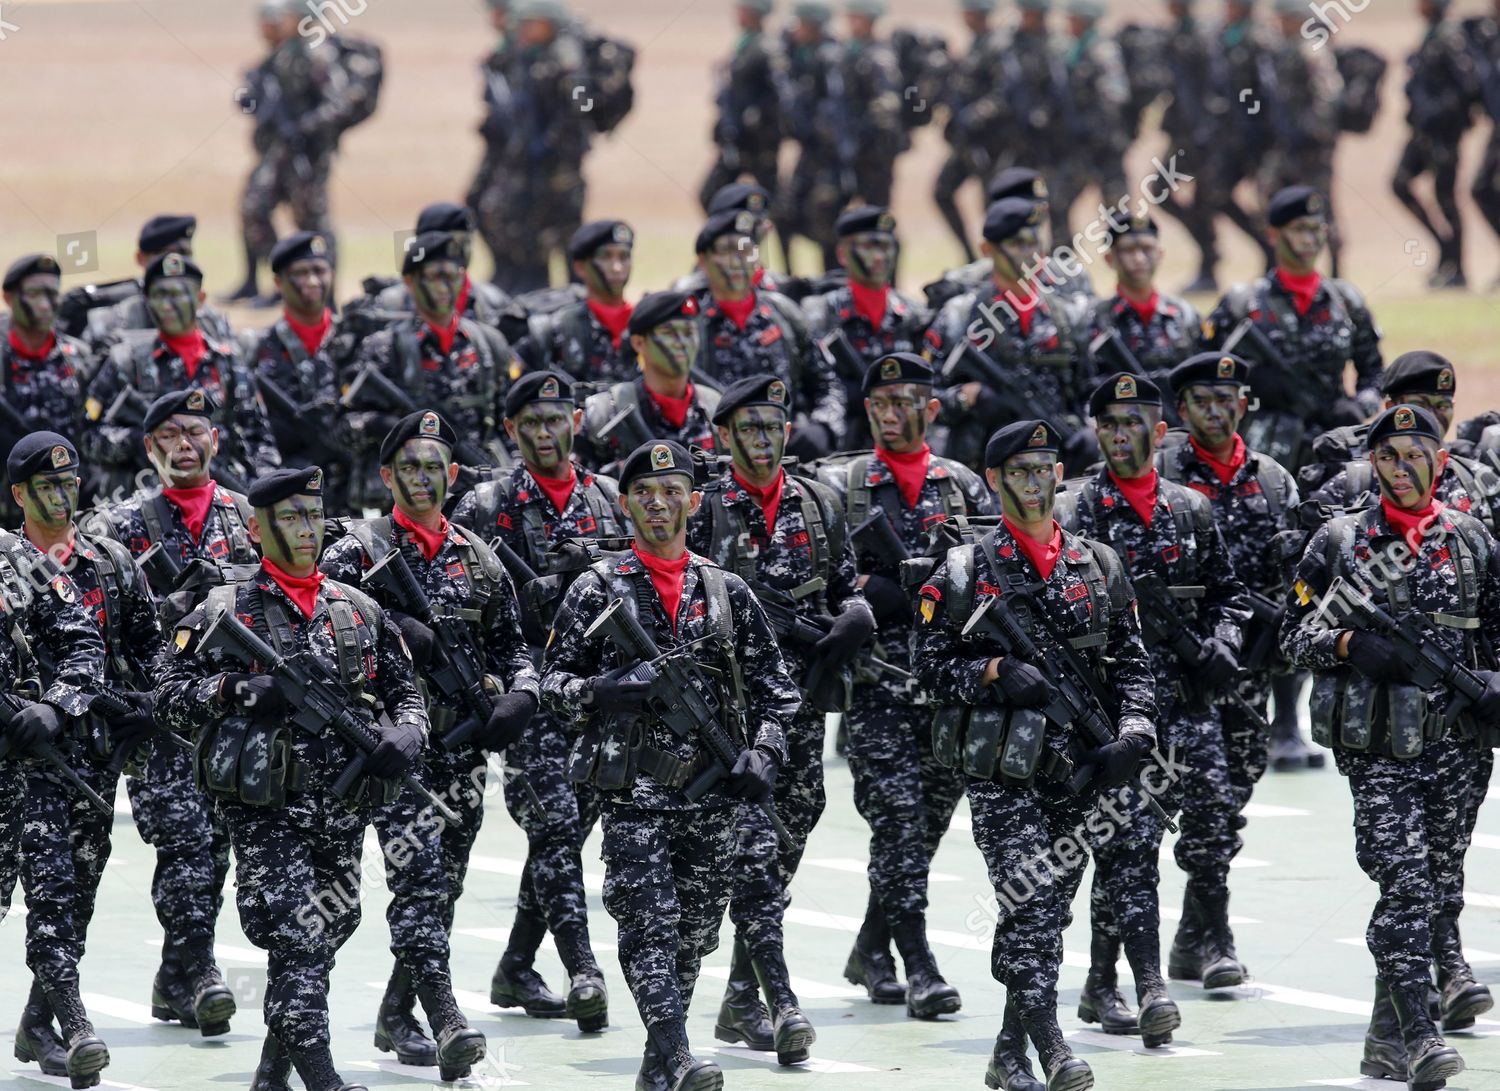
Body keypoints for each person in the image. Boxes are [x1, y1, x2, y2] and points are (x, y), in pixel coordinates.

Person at [156, 464, 427, 1091]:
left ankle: (271, 1076)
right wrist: (238, 690)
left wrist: (406, 735)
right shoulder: (226, 607)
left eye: (312, 516)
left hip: (343, 807)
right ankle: (322, 1078)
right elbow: (166, 695)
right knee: (300, 938)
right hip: (266, 808)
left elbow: (405, 694)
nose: (306, 529)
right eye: (290, 518)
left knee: (334, 924)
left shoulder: (356, 606)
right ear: (256, 529)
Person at [540, 438, 800, 1089]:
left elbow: (779, 689)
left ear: (693, 498)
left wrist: (764, 750)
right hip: (635, 793)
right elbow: (551, 684)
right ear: (626, 503)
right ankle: (680, 1056)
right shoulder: (598, 588)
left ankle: (661, 1071)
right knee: (648, 927)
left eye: (672, 490)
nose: (660, 504)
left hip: (713, 796)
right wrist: (600, 692)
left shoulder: (727, 589)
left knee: (692, 938)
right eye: (646, 493)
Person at [913, 417, 1158, 1091]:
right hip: (1006, 773)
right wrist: (990, 671)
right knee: (1033, 905)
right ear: (994, 480)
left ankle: (1007, 1052)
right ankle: (1053, 1049)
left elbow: (1133, 663)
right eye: (1018, 471)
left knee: (1049, 912)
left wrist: (1133, 733)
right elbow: (924, 671)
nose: (1034, 481)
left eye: (1044, 468)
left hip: (1083, 767)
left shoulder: (1098, 562)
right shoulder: (965, 569)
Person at [1281, 404, 1500, 1090]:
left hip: (1460, 744)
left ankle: (1383, 1038)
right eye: (1387, 457)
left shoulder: (1473, 539)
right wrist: (1347, 643)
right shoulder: (1340, 542)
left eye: (1416, 454)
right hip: (1381, 747)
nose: (1402, 469)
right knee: (1404, 887)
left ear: (1441, 460)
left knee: (1437, 888)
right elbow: (1289, 636)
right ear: (1370, 464)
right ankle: (1421, 1033)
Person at [321, 411, 539, 1077]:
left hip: (460, 752)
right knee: (390, 890)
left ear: (451, 475)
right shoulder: (355, 552)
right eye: (408, 466)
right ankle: (441, 1016)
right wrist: (388, 626)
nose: (422, 478)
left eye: (434, 466)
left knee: (440, 887)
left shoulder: (479, 556)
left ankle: (397, 1012)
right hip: (381, 750)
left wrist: (521, 695)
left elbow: (515, 643)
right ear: (386, 475)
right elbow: (313, 626)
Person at [688, 375, 875, 1063]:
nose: (762, 441)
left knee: (788, 836)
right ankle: (775, 994)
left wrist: (854, 613)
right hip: (726, 714)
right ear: (724, 437)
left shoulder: (819, 503)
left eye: (773, 427)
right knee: (750, 849)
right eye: (749, 429)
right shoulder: (701, 507)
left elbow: (842, 584)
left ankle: (741, 993)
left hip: (797, 706)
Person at [1055, 373, 1251, 1026]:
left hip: (1191, 706)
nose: (1119, 435)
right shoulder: (1078, 513)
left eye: (1132, 422)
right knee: (1128, 845)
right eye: (1107, 424)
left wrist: (1223, 639)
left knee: (1215, 820)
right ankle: (1115, 978)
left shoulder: (1190, 508)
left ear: (1160, 433)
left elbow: (1229, 591)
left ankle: (1211, 936)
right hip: (1119, 713)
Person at [815, 353, 991, 1018]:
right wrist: (877, 594)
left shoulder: (966, 488)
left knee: (924, 832)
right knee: (898, 824)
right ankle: (919, 964)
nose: (893, 413)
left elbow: (991, 574)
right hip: (879, 690)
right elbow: (824, 582)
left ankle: (869, 947)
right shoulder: (841, 488)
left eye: (907, 400)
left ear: (933, 410)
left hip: (949, 690)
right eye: (881, 403)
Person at [86, 389, 258, 1044]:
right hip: (157, 712)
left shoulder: (249, 516)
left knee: (215, 847)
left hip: (229, 714)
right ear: (149, 448)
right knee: (184, 841)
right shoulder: (120, 524)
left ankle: (173, 972)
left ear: (215, 439)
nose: (183, 444)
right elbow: (92, 619)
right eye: (168, 435)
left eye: (195, 430)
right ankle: (202, 970)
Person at [453, 371, 622, 1029]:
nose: (546, 433)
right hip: (528, 694)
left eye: (557, 419)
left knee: (569, 829)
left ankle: (517, 964)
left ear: (574, 423)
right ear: (512, 430)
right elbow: (457, 606)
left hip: (599, 695)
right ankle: (583, 967)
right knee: (553, 824)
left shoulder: (612, 500)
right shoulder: (486, 507)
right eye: (533, 423)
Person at [9, 433, 158, 1086]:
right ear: (19, 493)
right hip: (14, 766)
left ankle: (48, 1024)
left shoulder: (103, 561)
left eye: (69, 483)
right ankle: (72, 1026)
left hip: (79, 757)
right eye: (46, 485)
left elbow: (116, 646)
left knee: (68, 898)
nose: (62, 495)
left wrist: (142, 703)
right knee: (50, 894)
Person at [1158, 351, 1307, 805]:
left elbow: (1296, 570)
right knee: (1162, 796)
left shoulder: (1273, 480)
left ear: (1242, 405)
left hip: (1249, 663)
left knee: (1235, 789)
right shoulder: (1162, 475)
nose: (1215, 411)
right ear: (1182, 410)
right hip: (1177, 663)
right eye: (1201, 401)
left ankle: (1211, 875)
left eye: (1225, 399)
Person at [1205, 185, 1383, 473]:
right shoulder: (1242, 304)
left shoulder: (1345, 301)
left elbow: (1375, 371)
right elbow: (1203, 376)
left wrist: (1359, 407)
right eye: (1300, 228)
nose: (1311, 238)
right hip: (1263, 452)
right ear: (1273, 234)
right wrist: (1250, 382)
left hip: (1334, 446)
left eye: (1317, 228)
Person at [81, 253, 281, 501]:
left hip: (222, 498)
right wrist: (136, 443)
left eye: (177, 294)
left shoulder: (228, 363)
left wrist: (262, 490)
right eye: (158, 296)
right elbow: (89, 437)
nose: (167, 305)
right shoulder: (125, 362)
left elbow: (260, 438)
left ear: (200, 299)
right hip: (145, 500)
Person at [340, 231, 517, 511]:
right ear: (410, 282)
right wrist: (384, 425)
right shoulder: (386, 347)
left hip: (482, 489)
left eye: (454, 275)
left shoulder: (488, 343)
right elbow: (346, 426)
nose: (446, 286)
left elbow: (508, 421)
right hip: (414, 494)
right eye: (435, 276)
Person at [927, 197, 1092, 471]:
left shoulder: (1067, 315)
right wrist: (968, 397)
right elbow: (924, 398)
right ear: (987, 250)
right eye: (1016, 245)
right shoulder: (959, 316)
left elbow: (1088, 386)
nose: (1029, 254)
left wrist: (1089, 430)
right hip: (979, 467)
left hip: (1054, 464)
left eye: (1034, 244)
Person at [228, 0, 359, 305]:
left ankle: (325, 297)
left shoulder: (317, 53)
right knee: (254, 207)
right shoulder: (283, 55)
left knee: (314, 223)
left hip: (307, 156)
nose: (275, 22)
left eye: (283, 16)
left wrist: (305, 128)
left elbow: (339, 103)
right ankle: (283, 282)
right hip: (278, 151)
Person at [694, 208, 846, 461]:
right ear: (703, 260)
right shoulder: (691, 325)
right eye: (726, 251)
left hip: (787, 452)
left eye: (746, 250)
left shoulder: (785, 315)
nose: (737, 261)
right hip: (718, 457)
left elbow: (827, 382)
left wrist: (823, 427)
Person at [472, 0, 596, 293]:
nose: (522, 30)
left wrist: (553, 143)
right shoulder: (526, 59)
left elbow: (581, 108)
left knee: (567, 241)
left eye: (531, 24)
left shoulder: (567, 60)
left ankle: (576, 297)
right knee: (523, 240)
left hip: (559, 172)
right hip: (528, 170)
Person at [801, 207, 931, 449]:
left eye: (886, 247)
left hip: (902, 438)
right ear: (842, 254)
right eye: (869, 247)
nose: (880, 256)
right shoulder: (819, 314)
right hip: (840, 445)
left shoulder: (914, 315)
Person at [246, 231, 349, 513]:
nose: (313, 281)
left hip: (354, 488)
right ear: (278, 282)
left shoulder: (354, 341)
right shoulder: (260, 349)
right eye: (301, 273)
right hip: (295, 493)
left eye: (320, 270)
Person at [576, 290, 722, 475]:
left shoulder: (715, 408)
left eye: (689, 332)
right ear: (638, 343)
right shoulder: (607, 412)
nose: (682, 342)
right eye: (669, 333)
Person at [1392, 0, 1480, 289]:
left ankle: (1458, 267)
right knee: (1400, 183)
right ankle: (1445, 249)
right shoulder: (1432, 34)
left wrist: (1440, 111)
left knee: (1446, 196)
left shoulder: (1449, 36)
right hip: (1422, 131)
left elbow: (1468, 85)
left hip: (1444, 132)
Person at [1086, 212, 1202, 409]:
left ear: (1160, 254)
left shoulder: (1185, 316)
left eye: (1147, 249)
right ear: (1109, 259)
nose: (1139, 258)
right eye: (1128, 250)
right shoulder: (1092, 319)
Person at [517, 220, 638, 385]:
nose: (617, 268)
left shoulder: (648, 324)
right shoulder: (556, 329)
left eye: (624, 257)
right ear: (580, 267)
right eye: (606, 257)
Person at [1049, 0, 1130, 243]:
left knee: (1116, 212)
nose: (1068, 23)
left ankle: (1127, 267)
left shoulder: (1102, 50)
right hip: (1079, 145)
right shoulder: (1070, 51)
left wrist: (1098, 125)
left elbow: (1116, 93)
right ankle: (1062, 268)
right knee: (1058, 201)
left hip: (1105, 146)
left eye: (1073, 18)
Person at [0, 254, 90, 472]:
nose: (44, 305)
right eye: (33, 294)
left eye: (52, 293)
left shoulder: (79, 356)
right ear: (9, 298)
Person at [699, 0, 786, 210]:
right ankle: (738, 237)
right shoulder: (744, 44)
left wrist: (757, 117)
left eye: (744, 10)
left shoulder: (766, 48)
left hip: (758, 138)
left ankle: (755, 236)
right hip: (736, 135)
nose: (739, 14)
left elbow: (780, 93)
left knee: (774, 201)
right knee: (711, 196)